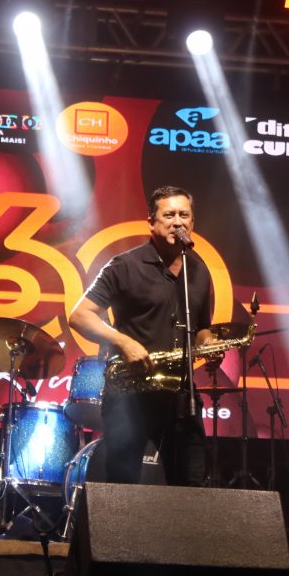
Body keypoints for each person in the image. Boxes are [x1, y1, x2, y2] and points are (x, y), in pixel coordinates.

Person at [68, 186, 215, 486]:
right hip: (130, 394)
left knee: (192, 483)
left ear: (193, 222)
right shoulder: (124, 265)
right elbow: (80, 315)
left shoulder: (199, 270)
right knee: (122, 485)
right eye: (169, 215)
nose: (177, 222)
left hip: (181, 395)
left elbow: (202, 328)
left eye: (184, 215)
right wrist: (123, 342)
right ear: (151, 222)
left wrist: (209, 345)